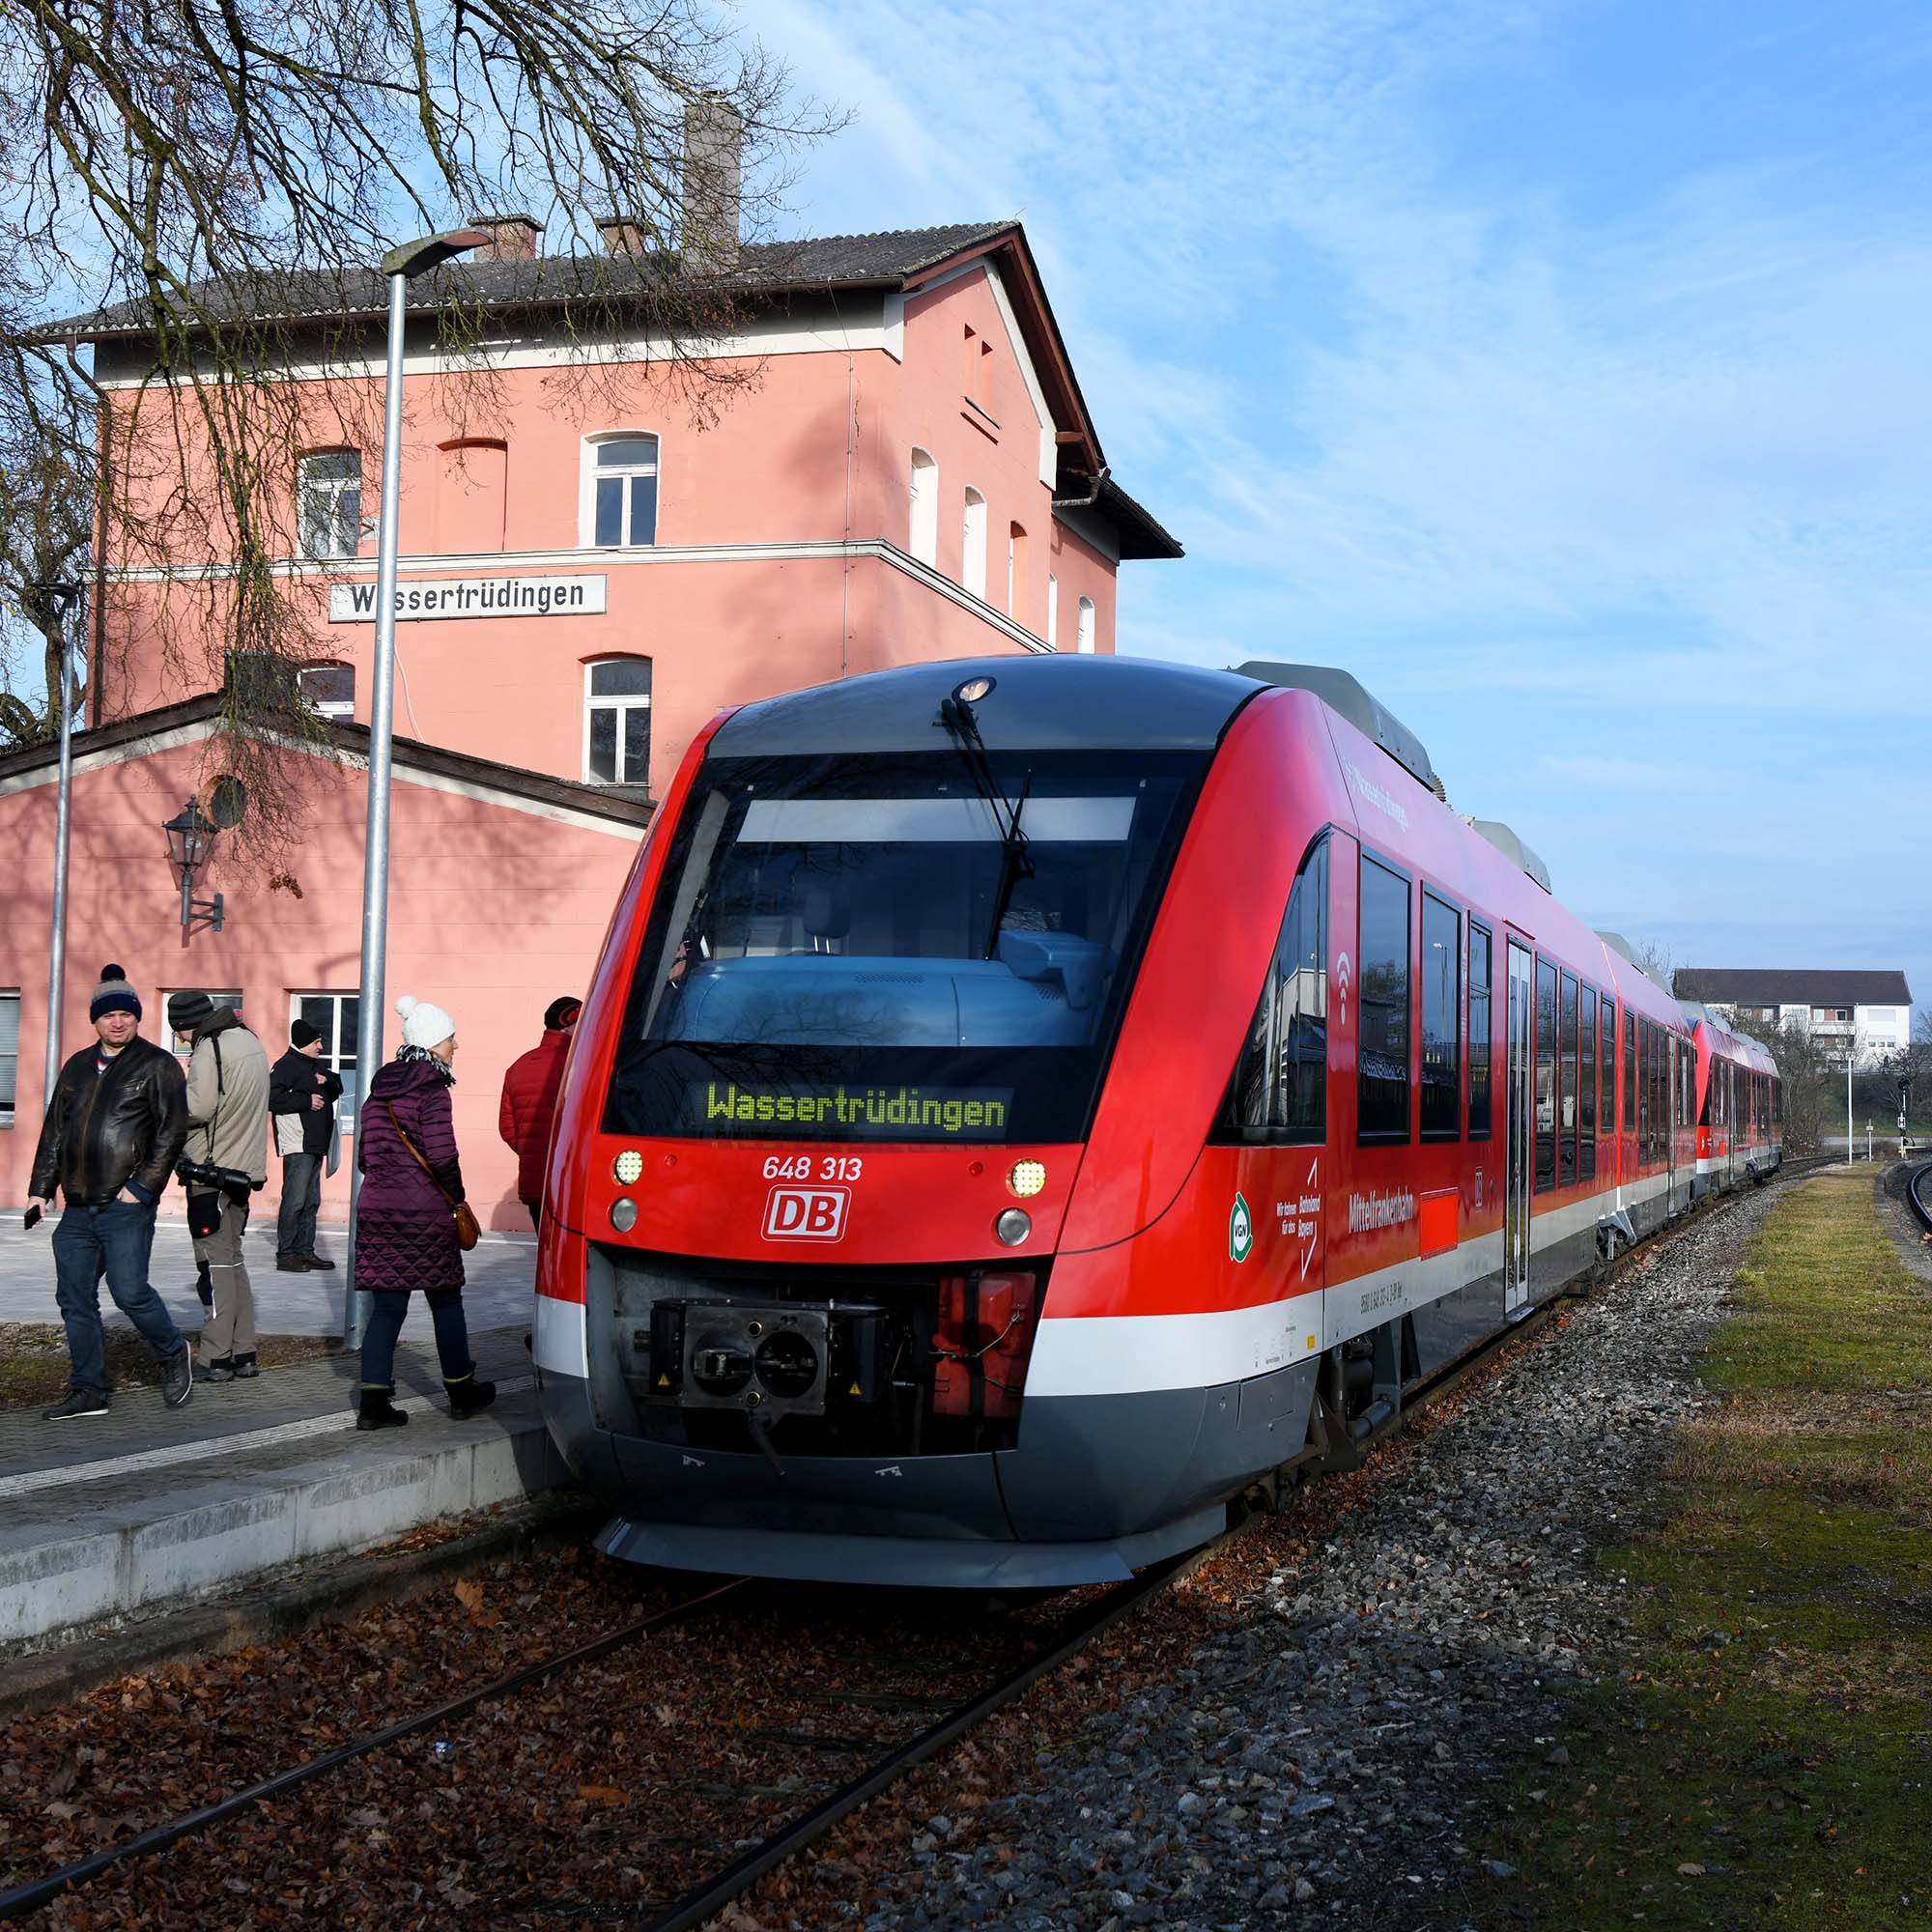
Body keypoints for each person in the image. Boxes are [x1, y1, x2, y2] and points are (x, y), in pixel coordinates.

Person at [28, 965, 195, 1420]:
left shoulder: (157, 1064)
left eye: (126, 1014)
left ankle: (171, 1349)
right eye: (108, 1015)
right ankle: (89, 1389)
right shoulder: (77, 1067)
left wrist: (141, 1188)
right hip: (78, 1208)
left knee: (130, 1292)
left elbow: (171, 1132)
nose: (117, 1022)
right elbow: (55, 1131)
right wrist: (41, 1190)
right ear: (95, 1019)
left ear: (137, 1017)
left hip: (125, 1205)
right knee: (75, 1299)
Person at [353, 994, 497, 1430]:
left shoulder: (377, 1094)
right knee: (446, 1301)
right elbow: (442, 1156)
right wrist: (456, 1197)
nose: (456, 1047)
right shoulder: (432, 1091)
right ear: (433, 1042)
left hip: (377, 1209)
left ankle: (373, 1405)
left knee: (388, 1308)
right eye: (451, 1039)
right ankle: (461, 1392)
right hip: (424, 1213)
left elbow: (364, 1158)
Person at [169, 991, 270, 1383]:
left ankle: (216, 1357)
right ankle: (245, 1350)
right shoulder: (248, 1038)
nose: (178, 1040)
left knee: (212, 1267)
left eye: (177, 1030)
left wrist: (167, 1102)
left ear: (187, 1024)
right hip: (243, 1172)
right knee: (235, 1262)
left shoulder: (210, 1048)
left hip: (209, 1173)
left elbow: (199, 1107)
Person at [497, 995, 581, 1232]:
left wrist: (532, 1151)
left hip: (534, 1181)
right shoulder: (577, 1064)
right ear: (569, 1023)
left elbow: (507, 1129)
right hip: (569, 1179)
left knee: (543, 1251)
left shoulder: (517, 1067)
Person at [270, 1019, 342, 1271]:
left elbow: (338, 1085)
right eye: (317, 1042)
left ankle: (305, 1251)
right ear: (303, 1044)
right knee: (295, 1200)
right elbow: (272, 1097)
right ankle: (287, 1254)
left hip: (315, 1142)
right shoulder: (286, 1066)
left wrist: (326, 1082)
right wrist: (305, 1101)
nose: (321, 1046)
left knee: (311, 1201)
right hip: (297, 1141)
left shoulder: (313, 1066)